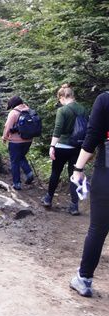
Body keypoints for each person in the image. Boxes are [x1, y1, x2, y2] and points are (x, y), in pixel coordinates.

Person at [69, 91, 109, 297]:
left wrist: (78, 169)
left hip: (106, 174)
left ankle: (84, 279)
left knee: (98, 229)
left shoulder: (105, 100)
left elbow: (92, 137)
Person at [41, 84, 87, 215]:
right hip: (78, 147)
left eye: (59, 99)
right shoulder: (83, 109)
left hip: (62, 147)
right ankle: (74, 206)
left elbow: (58, 130)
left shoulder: (62, 110)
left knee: (55, 172)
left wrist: (52, 146)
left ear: (62, 97)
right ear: (73, 95)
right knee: (74, 175)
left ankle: (48, 199)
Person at [2, 95, 35, 190]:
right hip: (28, 140)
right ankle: (29, 173)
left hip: (15, 142)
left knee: (14, 161)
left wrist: (4, 137)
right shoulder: (29, 110)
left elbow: (7, 127)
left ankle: (17, 184)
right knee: (20, 157)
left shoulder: (14, 113)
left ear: (13, 104)